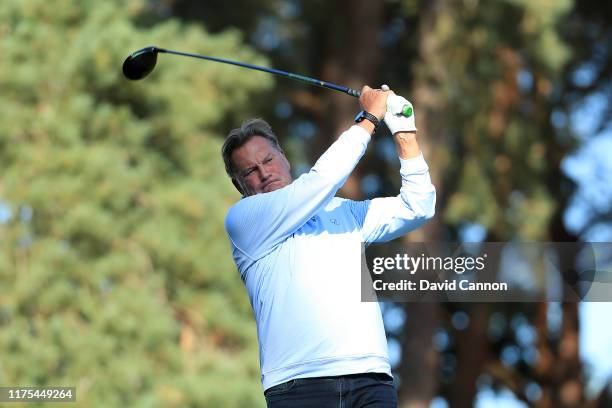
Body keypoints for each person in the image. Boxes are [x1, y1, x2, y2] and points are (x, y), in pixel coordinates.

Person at [222, 85, 436, 407]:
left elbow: (418, 206)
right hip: (297, 385)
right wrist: (369, 118)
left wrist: (404, 132)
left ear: (284, 157)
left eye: (268, 159)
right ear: (240, 185)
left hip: (370, 377)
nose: (264, 172)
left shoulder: (343, 210)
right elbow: (321, 181)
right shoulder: (244, 221)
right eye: (250, 171)